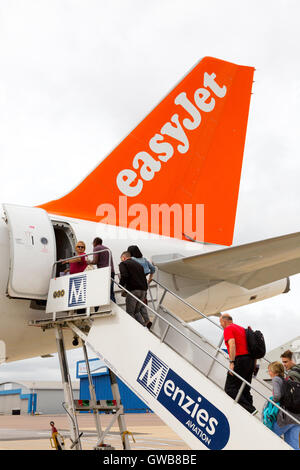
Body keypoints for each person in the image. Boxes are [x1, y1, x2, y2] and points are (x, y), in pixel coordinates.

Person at [219, 313, 256, 414]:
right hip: (250, 360)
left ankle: (251, 410)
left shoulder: (228, 329)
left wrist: (232, 362)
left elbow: (232, 344)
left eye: (220, 322)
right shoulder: (242, 329)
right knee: (244, 389)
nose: (220, 325)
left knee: (230, 389)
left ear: (224, 321)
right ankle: (250, 409)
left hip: (240, 360)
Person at [267, 361, 300, 449]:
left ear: (274, 371)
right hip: (297, 417)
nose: (269, 373)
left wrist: (270, 402)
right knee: (293, 444)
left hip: (286, 417)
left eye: (269, 370)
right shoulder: (287, 380)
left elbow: (277, 396)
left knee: (268, 435)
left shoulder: (276, 379)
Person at [119, 251, 152, 329]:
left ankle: (134, 330)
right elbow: (144, 278)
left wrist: (121, 285)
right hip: (143, 291)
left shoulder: (123, 264)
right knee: (136, 312)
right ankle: (144, 327)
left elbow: (124, 275)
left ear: (123, 258)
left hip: (133, 291)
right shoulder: (139, 265)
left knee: (130, 313)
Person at [88, 237, 116, 302]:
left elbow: (95, 261)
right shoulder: (107, 248)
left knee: (100, 291)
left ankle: (98, 308)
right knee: (110, 291)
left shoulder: (96, 248)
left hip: (104, 272)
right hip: (111, 271)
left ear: (95, 242)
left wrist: (88, 262)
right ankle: (114, 304)